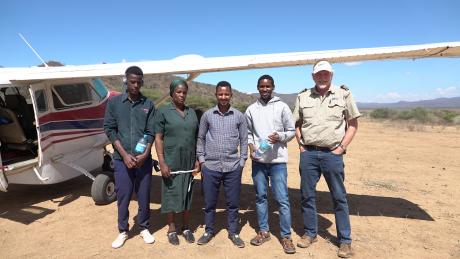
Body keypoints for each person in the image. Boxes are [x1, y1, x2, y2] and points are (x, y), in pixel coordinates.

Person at [292, 61, 360, 258]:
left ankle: (345, 241)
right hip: (309, 154)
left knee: (339, 197)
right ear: (313, 76)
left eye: (326, 74)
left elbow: (353, 124)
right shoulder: (303, 96)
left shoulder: (344, 94)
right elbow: (297, 123)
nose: (322, 77)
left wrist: (341, 148)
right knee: (307, 195)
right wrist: (301, 145)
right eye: (318, 74)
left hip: (332, 155)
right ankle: (310, 233)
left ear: (332, 75)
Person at [103, 66, 156, 248]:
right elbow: (109, 129)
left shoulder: (148, 104)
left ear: (142, 82)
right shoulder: (115, 103)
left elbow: (151, 131)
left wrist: (146, 153)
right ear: (126, 81)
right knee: (123, 196)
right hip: (121, 159)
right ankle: (123, 231)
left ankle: (143, 227)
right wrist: (124, 155)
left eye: (139, 82)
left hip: (143, 160)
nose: (135, 85)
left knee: (143, 195)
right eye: (132, 81)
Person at [244, 75, 296, 254]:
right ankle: (264, 231)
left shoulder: (282, 107)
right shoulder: (251, 109)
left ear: (273, 87)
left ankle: (286, 236)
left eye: (268, 86)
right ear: (258, 87)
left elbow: (291, 131)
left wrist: (280, 136)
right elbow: (248, 133)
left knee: (282, 199)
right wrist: (251, 149)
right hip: (259, 161)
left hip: (277, 162)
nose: (265, 89)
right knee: (260, 197)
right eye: (261, 86)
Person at [196, 81, 248, 248]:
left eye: (226, 94)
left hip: (233, 167)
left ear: (231, 95)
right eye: (220, 94)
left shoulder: (239, 116)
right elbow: (201, 138)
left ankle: (233, 232)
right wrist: (202, 161)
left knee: (233, 203)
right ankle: (208, 231)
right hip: (211, 167)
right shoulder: (208, 115)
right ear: (216, 95)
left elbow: (244, 140)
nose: (223, 97)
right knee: (210, 203)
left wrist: (242, 161)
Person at [153, 79, 199, 245]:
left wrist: (197, 159)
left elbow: (195, 138)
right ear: (172, 93)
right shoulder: (163, 112)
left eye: (184, 92)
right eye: (178, 92)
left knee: (187, 193)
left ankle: (185, 227)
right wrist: (162, 161)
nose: (182, 95)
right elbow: (158, 138)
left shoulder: (192, 113)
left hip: (188, 160)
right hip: (171, 160)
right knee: (171, 193)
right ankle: (171, 228)